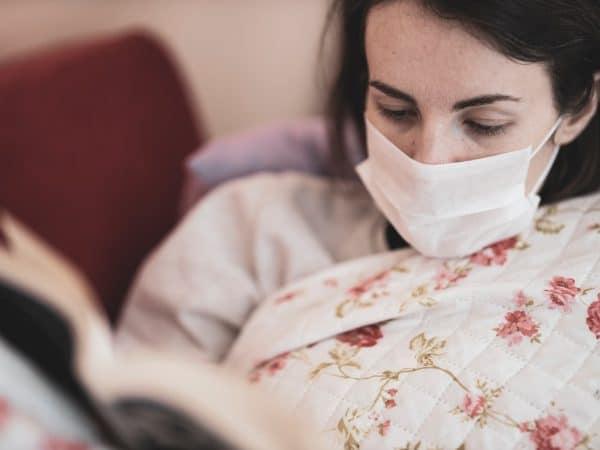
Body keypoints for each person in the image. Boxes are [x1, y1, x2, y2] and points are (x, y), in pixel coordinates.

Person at [117, 1, 600, 447]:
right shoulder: (253, 228)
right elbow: (131, 415)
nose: (430, 159)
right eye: (397, 111)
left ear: (576, 108)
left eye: (484, 123)